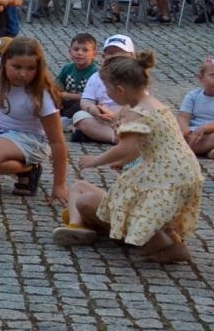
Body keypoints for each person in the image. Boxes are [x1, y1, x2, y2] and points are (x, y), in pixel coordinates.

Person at [53, 50, 199, 264]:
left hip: (165, 173)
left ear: (119, 90)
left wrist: (95, 161)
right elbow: (144, 144)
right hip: (184, 169)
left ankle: (163, 244)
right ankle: (171, 244)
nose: (107, 93)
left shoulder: (136, 113)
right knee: (150, 206)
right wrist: (123, 161)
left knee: (128, 202)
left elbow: (125, 147)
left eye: (107, 89)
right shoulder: (155, 104)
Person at [0, 36, 67, 197]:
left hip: (29, 137)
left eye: (30, 68)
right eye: (16, 66)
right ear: (4, 62)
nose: (23, 74)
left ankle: (29, 169)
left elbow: (57, 141)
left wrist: (59, 185)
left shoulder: (42, 95)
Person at [55, 33, 99, 117]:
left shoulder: (95, 73)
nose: (79, 53)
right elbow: (57, 85)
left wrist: (64, 95)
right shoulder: (67, 68)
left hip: (83, 104)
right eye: (76, 49)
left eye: (85, 50)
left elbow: (90, 97)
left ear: (94, 54)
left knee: (78, 107)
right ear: (70, 51)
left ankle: (64, 119)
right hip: (66, 101)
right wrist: (57, 95)